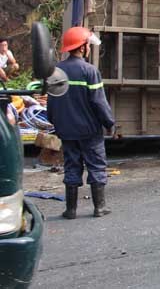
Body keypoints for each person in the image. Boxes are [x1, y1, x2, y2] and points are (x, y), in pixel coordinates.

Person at [48, 26, 115, 219]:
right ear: (84, 47)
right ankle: (99, 207)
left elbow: (52, 103)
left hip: (66, 131)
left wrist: (56, 123)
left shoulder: (56, 72)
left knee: (71, 166)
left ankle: (71, 210)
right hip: (89, 131)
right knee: (96, 166)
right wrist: (109, 122)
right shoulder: (89, 71)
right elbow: (98, 102)